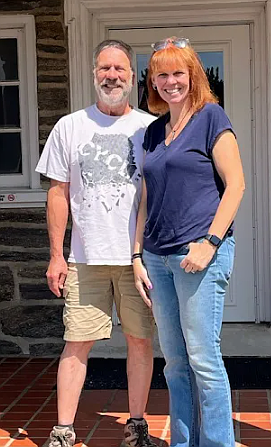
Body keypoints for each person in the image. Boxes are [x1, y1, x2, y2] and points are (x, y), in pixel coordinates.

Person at [36, 39, 157, 447]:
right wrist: (56, 255)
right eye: (105, 68)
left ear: (133, 77)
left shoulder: (148, 128)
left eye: (120, 69)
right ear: (94, 74)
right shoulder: (70, 126)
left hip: (136, 259)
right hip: (84, 258)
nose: (112, 76)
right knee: (77, 341)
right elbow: (57, 193)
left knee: (140, 341)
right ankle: (63, 429)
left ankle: (136, 424)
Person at [132, 37, 245, 447]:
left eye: (179, 72)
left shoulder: (211, 117)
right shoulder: (152, 131)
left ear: (194, 76)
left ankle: (217, 443)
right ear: (153, 82)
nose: (170, 81)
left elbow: (236, 186)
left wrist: (210, 242)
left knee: (203, 359)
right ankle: (183, 441)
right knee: (175, 364)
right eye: (161, 74)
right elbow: (146, 196)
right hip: (157, 258)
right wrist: (137, 255)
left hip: (198, 254)